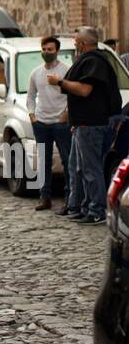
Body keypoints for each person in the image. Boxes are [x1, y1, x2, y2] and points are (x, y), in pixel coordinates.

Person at [48, 26, 119, 224]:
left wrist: (60, 82)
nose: (75, 44)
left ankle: (97, 210)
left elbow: (85, 90)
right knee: (79, 168)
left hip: (92, 125)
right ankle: (86, 207)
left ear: (84, 43)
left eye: (77, 41)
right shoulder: (88, 60)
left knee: (91, 169)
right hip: (82, 124)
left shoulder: (95, 61)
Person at [26, 34, 72, 212]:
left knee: (67, 160)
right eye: (44, 49)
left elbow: (72, 96)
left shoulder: (65, 71)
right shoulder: (36, 73)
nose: (46, 52)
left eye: (50, 49)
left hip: (60, 123)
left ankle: (70, 199)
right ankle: (45, 197)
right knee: (43, 161)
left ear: (57, 51)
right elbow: (30, 96)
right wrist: (32, 115)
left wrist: (65, 116)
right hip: (41, 123)